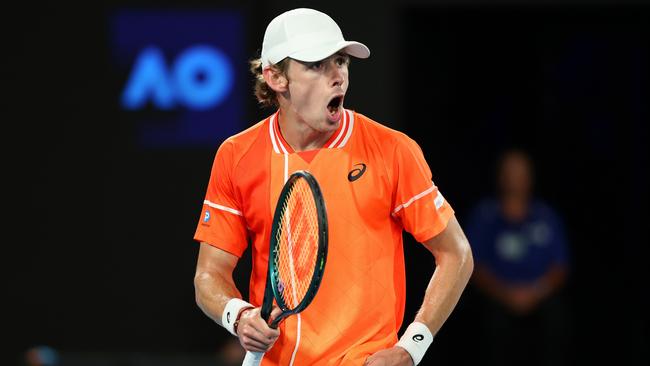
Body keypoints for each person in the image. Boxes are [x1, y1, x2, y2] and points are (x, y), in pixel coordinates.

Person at [193, 8, 473, 366]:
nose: (337, 76)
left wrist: (411, 348)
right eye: (316, 65)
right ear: (275, 76)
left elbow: (456, 254)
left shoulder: (392, 150)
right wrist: (239, 315)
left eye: (340, 61)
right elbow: (209, 275)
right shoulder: (236, 155)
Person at [466, 149, 571, 366]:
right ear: (500, 177)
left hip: (538, 298)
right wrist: (507, 294)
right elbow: (473, 266)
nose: (515, 179)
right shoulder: (485, 216)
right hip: (498, 298)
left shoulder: (546, 217)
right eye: (510, 173)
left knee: (556, 317)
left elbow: (560, 267)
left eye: (521, 173)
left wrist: (534, 293)